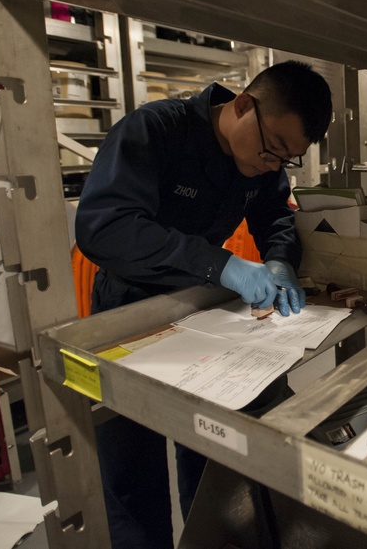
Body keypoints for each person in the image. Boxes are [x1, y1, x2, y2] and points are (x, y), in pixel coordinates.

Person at [74, 60, 333, 548]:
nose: (273, 164)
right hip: (129, 314)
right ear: (242, 105)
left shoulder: (262, 161)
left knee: (211, 453)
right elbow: (104, 227)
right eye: (273, 148)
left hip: (205, 313)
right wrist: (223, 265)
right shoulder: (155, 130)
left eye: (287, 159)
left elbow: (277, 214)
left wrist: (280, 261)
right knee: (134, 475)